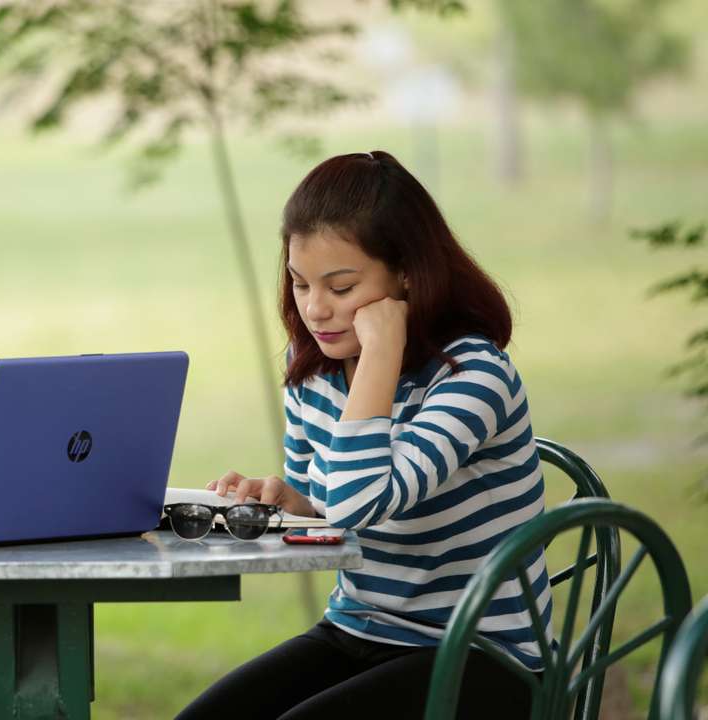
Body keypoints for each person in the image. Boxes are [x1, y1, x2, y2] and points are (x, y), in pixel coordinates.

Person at [178, 151, 549, 719]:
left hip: (481, 656)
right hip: (359, 628)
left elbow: (358, 503)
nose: (315, 310)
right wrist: (288, 501)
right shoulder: (316, 372)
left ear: (405, 272)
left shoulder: (473, 375)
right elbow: (332, 511)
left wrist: (381, 351)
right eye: (300, 285)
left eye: (342, 287)